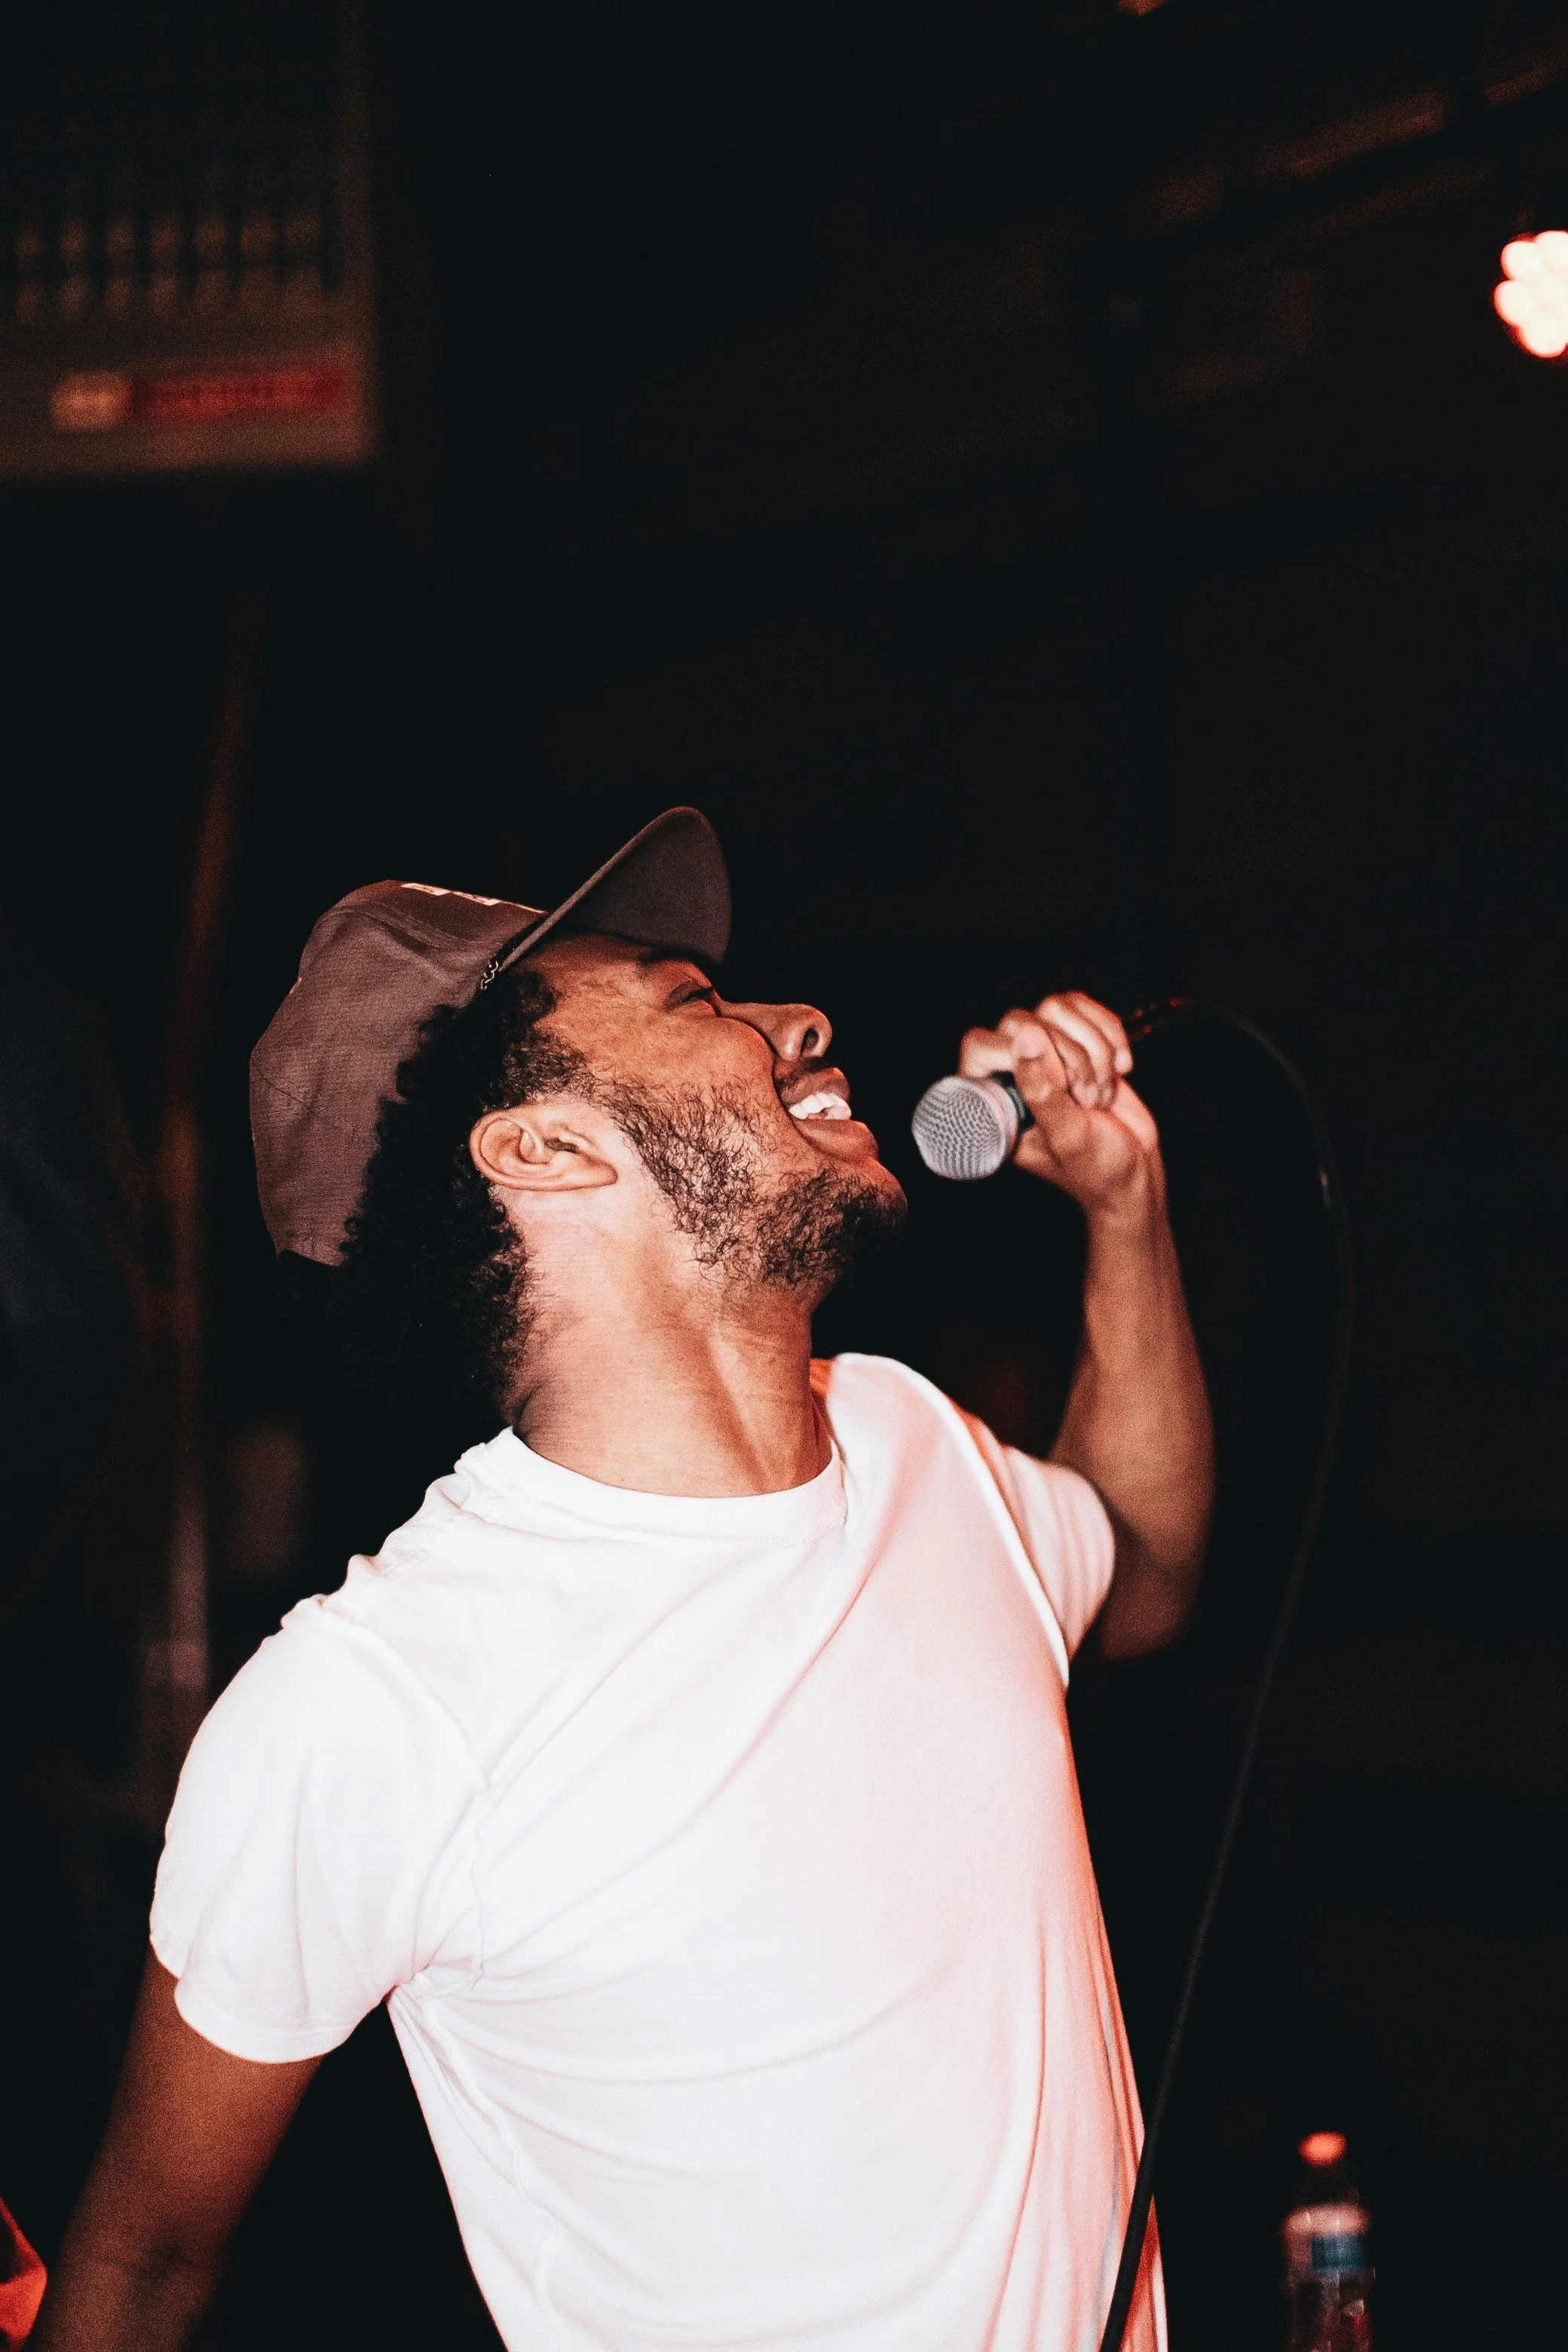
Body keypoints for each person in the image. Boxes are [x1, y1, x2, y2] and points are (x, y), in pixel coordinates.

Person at [35, 808, 1212, 2352]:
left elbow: (1142, 1573)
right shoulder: (384, 1699)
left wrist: (1126, 1213)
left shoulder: (915, 1437)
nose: (802, 1019)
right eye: (694, 1000)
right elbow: (144, 2264)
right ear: (543, 1149)